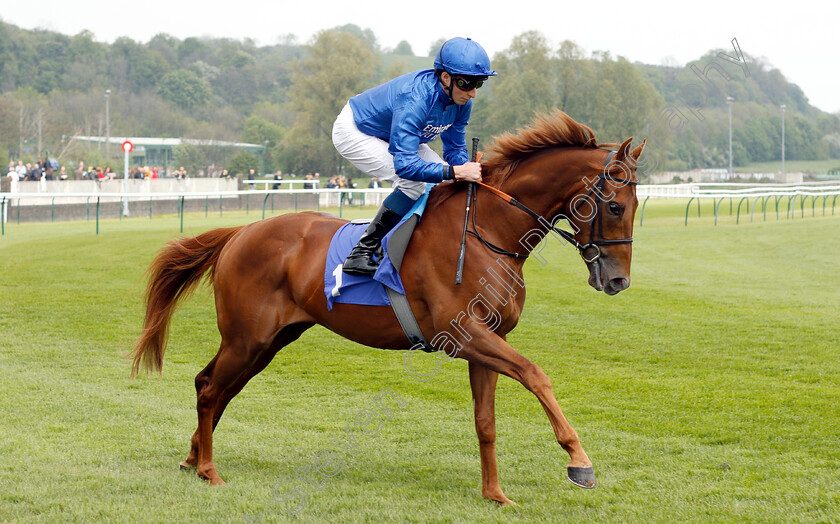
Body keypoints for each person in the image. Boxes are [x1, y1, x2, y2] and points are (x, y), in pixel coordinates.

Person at [332, 37, 496, 276]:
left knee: (450, 181)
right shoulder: (415, 98)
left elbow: (453, 149)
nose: (472, 93)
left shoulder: (461, 101)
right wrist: (457, 171)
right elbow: (406, 166)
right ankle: (362, 251)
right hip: (356, 130)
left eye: (478, 84)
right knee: (412, 183)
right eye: (466, 83)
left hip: (395, 134)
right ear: (445, 77)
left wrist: (466, 170)